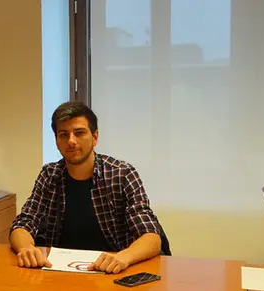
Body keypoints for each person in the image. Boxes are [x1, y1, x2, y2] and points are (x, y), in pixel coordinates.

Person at [10, 101, 167, 274]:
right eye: (63, 135)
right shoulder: (49, 175)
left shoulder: (121, 174)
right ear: (56, 141)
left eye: (79, 133)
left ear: (95, 137)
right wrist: (26, 248)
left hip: (111, 272)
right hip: (60, 273)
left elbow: (151, 237)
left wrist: (124, 257)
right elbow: (23, 224)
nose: (71, 141)